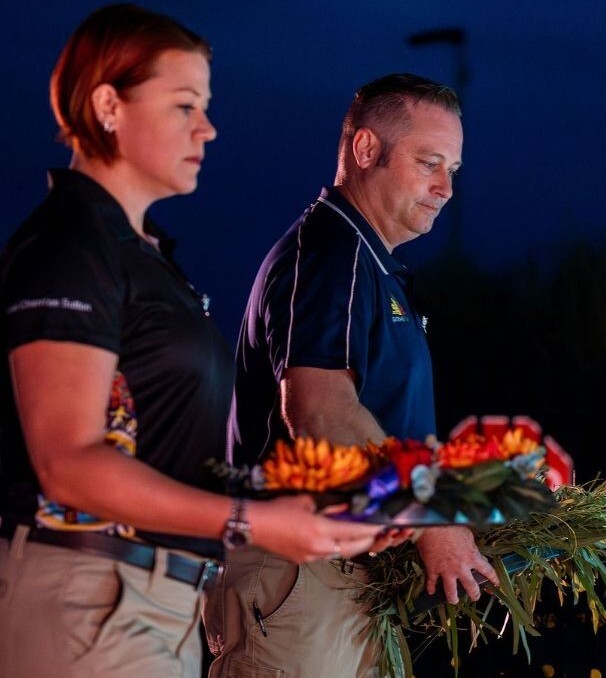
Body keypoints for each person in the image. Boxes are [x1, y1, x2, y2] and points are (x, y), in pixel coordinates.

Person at [0, 6, 405, 677]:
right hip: (85, 598)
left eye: (206, 106)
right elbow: (67, 462)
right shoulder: (70, 248)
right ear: (108, 105)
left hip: (153, 604)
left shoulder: (142, 258)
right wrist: (257, 523)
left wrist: (314, 507)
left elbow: (166, 454)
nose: (208, 128)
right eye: (184, 105)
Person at [204, 73, 500, 677]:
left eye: (454, 169)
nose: (446, 187)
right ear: (366, 151)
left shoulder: (370, 263)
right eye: (429, 162)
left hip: (342, 579)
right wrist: (430, 515)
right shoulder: (331, 251)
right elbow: (319, 409)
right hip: (300, 570)